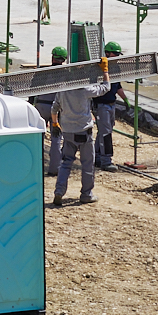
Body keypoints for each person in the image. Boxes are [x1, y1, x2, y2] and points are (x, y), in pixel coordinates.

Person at [51, 60, 111, 206]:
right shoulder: (86, 90)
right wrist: (105, 71)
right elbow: (106, 87)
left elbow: (54, 108)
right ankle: (86, 194)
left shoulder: (63, 90)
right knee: (87, 164)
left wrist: (55, 123)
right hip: (84, 132)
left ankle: (59, 192)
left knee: (65, 163)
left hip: (68, 131)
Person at [93, 41, 130, 172]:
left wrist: (125, 100)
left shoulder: (115, 68)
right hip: (101, 104)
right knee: (106, 133)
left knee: (104, 131)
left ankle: (96, 157)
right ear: (108, 53)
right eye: (115, 54)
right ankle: (106, 160)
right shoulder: (99, 68)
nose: (118, 57)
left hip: (110, 104)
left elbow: (117, 86)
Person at [32, 47, 67, 177]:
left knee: (37, 138)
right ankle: (54, 169)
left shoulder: (42, 72)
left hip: (41, 106)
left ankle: (36, 167)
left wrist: (31, 105)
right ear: (64, 59)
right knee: (56, 139)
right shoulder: (66, 74)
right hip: (57, 109)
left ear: (52, 57)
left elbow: (32, 90)